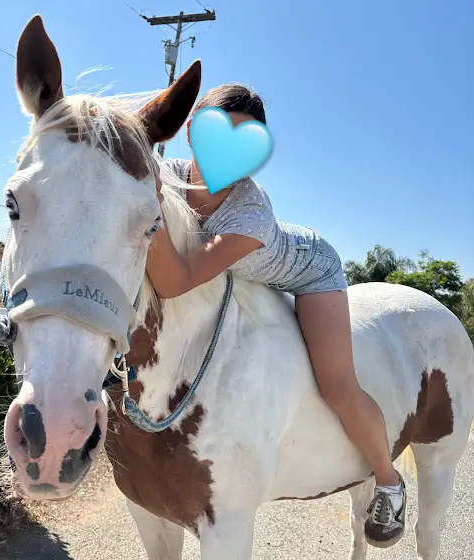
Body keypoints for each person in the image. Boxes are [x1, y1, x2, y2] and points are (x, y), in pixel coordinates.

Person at [146, 83, 406, 548]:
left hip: (309, 270)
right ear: (189, 131)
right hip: (240, 271)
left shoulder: (251, 212)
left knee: (338, 386)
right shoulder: (167, 175)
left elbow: (174, 280)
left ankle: (388, 481)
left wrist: (143, 204)